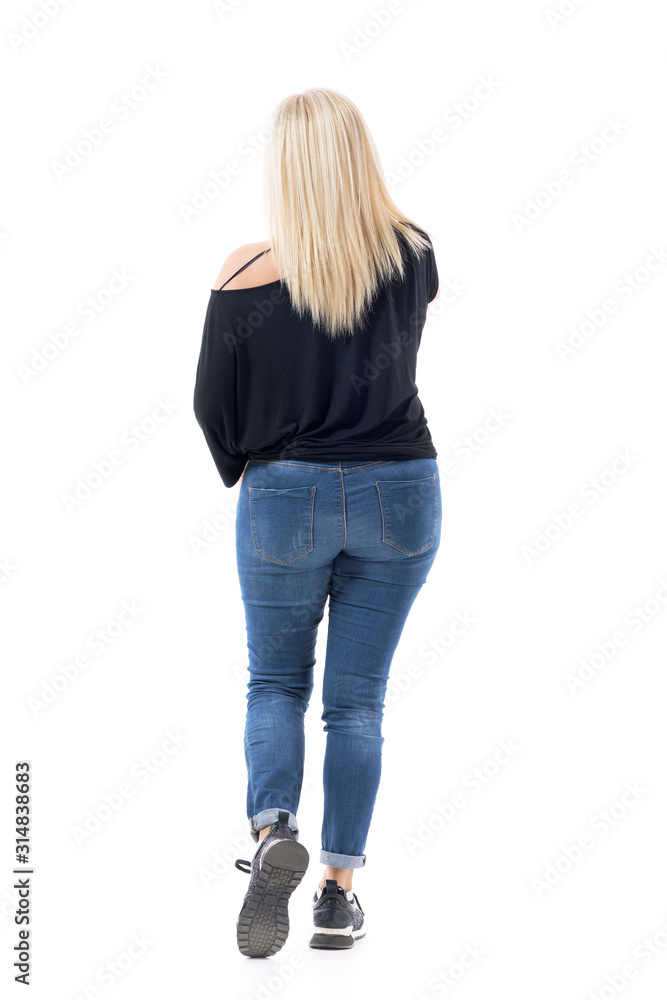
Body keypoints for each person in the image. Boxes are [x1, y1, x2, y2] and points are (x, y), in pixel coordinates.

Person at [193, 87, 442, 958]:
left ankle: (272, 834)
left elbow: (209, 409)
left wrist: (248, 468)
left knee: (276, 684)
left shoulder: (241, 273)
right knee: (358, 707)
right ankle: (337, 896)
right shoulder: (413, 256)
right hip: (401, 493)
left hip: (285, 497)